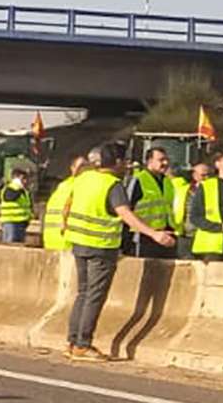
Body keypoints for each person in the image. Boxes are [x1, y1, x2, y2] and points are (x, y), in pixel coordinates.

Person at [65, 141, 176, 360]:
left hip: (78, 243)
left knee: (83, 293)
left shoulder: (83, 178)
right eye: (124, 161)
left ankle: (73, 341)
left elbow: (68, 206)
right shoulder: (113, 185)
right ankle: (83, 344)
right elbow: (126, 214)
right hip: (101, 247)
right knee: (94, 296)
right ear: (115, 163)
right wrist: (154, 234)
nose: (126, 165)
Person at [183, 150, 223, 260]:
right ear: (217, 164)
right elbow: (195, 217)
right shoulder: (206, 186)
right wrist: (220, 227)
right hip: (211, 247)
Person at [124, 148, 178, 259]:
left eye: (166, 160)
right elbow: (126, 209)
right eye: (161, 160)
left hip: (166, 235)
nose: (165, 163)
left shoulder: (167, 181)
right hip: (144, 236)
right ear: (149, 161)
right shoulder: (138, 179)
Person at [42, 154, 89, 254]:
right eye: (84, 166)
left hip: (51, 241)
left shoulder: (63, 186)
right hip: (68, 242)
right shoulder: (81, 186)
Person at [0, 167, 35, 245]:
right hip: (11, 222)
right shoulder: (11, 188)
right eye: (23, 178)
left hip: (20, 223)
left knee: (18, 246)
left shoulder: (23, 191)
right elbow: (9, 197)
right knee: (10, 246)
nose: (26, 181)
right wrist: (18, 187)